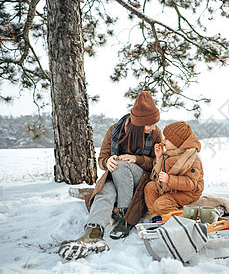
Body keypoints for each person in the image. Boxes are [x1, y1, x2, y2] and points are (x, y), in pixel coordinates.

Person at [58, 92, 163, 260]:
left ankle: (125, 215)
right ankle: (92, 233)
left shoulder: (155, 134)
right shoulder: (115, 131)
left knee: (121, 166)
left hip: (140, 177)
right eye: (149, 124)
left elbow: (157, 163)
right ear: (137, 125)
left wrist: (137, 159)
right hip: (115, 176)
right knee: (106, 191)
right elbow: (102, 158)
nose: (153, 127)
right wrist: (107, 162)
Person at [144, 121, 204, 223]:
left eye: (167, 139)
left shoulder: (191, 159)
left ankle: (187, 217)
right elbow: (160, 172)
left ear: (177, 142)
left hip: (188, 192)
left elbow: (191, 183)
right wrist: (158, 158)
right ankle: (157, 217)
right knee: (150, 187)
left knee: (161, 204)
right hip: (172, 188)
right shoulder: (169, 154)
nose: (163, 140)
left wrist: (169, 180)